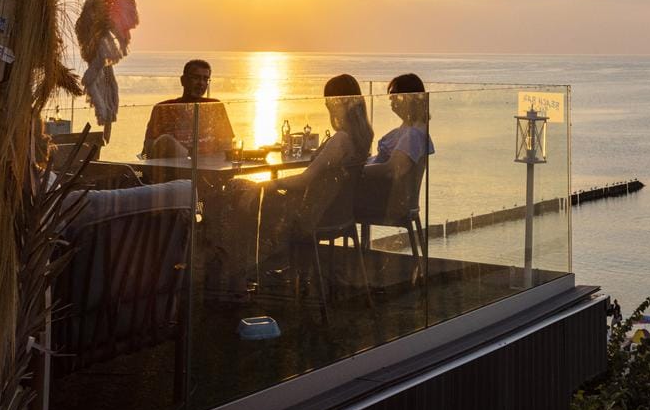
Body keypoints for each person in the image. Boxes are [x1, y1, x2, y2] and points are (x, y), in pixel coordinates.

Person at [218, 74, 372, 293]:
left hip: (308, 214)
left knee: (235, 189)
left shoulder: (341, 140)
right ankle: (260, 270)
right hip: (333, 213)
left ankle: (235, 272)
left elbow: (304, 179)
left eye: (330, 99)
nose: (327, 104)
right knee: (241, 189)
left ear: (341, 101)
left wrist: (266, 185)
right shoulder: (363, 136)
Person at [360, 73, 434, 217]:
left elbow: (391, 169)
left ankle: (319, 233)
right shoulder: (410, 130)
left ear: (409, 98)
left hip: (385, 201)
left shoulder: (413, 135)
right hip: (381, 194)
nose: (391, 99)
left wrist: (356, 170)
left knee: (330, 194)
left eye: (395, 95)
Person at [143, 59, 235, 159]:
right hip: (174, 167)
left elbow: (227, 146)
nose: (201, 83)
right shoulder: (163, 109)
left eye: (205, 79)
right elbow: (148, 150)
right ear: (183, 80)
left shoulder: (215, 107)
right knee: (166, 141)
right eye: (196, 78)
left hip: (208, 166)